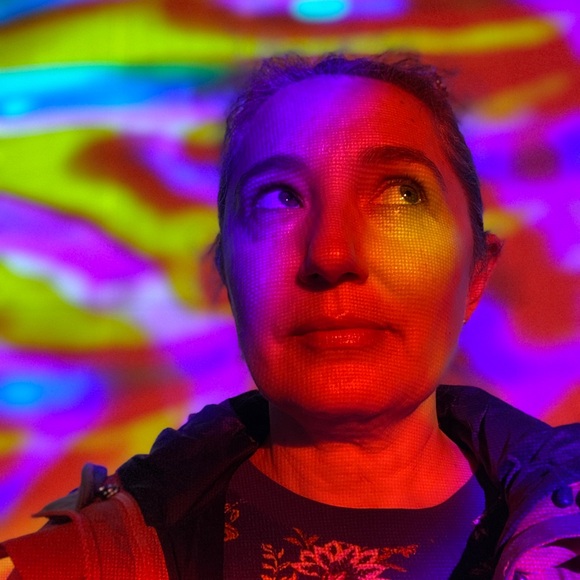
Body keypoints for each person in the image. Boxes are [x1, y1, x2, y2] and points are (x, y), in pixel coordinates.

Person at [2, 52, 580, 580]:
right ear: (228, 275)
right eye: (278, 197)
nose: (330, 255)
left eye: (400, 194)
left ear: (476, 271)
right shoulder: (71, 567)